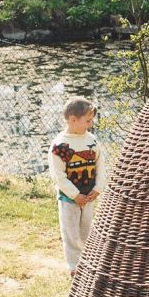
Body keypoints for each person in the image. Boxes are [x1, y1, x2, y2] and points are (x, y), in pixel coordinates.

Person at [48, 96, 107, 276]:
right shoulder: (60, 145)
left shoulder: (92, 141)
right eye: (87, 120)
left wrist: (98, 188)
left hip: (89, 195)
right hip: (69, 198)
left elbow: (100, 165)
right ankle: (74, 266)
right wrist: (74, 195)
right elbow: (58, 175)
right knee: (71, 232)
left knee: (87, 229)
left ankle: (88, 261)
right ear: (73, 120)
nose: (91, 124)